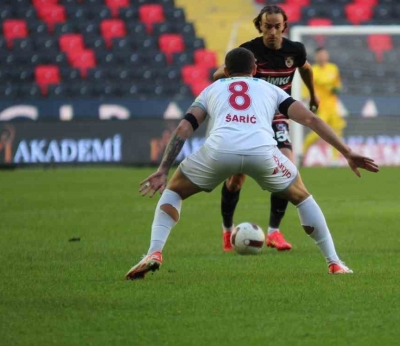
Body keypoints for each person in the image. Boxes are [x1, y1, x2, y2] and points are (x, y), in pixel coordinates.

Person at [125, 47, 378, 280]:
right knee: (303, 198)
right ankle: (334, 263)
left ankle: (154, 252)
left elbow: (184, 127)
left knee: (174, 191)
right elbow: (311, 120)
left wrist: (162, 169)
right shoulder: (270, 89)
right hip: (263, 152)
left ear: (225, 71)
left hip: (219, 151)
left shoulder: (212, 88)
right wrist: (347, 152)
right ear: (255, 69)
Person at [212, 5, 319, 253]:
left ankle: (274, 232)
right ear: (259, 26)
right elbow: (220, 73)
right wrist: (228, 76)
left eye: (276, 26)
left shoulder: (295, 50)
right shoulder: (248, 51)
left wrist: (313, 95)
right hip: (251, 120)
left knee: (287, 168)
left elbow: (306, 68)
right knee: (236, 179)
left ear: (284, 27)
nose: (272, 31)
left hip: (279, 117)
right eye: (267, 26)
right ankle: (227, 231)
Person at [302, 47, 346, 158]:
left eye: (324, 55)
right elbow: (306, 90)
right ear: (316, 57)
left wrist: (337, 89)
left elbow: (337, 85)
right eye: (320, 55)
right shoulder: (312, 70)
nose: (322, 57)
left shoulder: (333, 68)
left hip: (333, 106)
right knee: (317, 133)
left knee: (337, 132)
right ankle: (301, 153)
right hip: (320, 107)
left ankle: (334, 159)